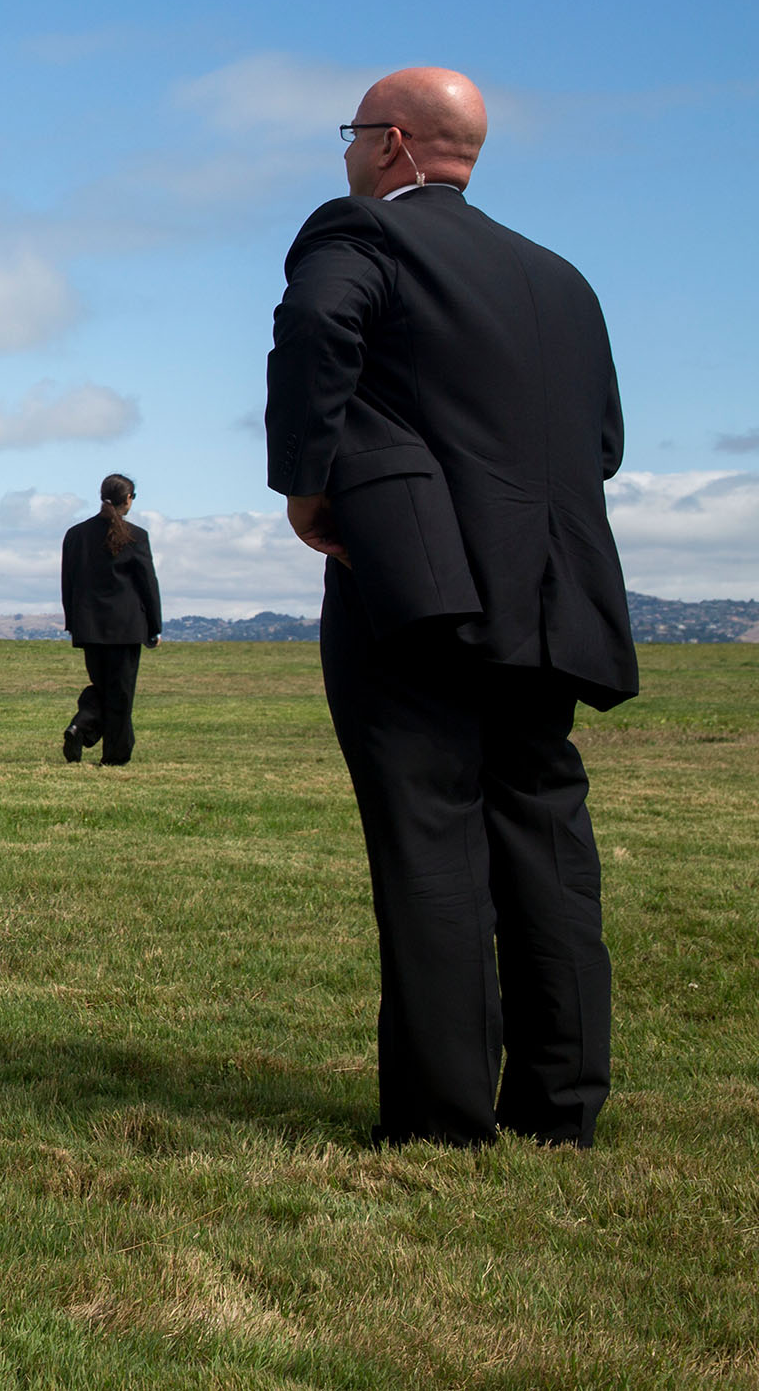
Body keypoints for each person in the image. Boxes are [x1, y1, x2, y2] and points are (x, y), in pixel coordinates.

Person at [268, 67, 636, 1150]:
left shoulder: (360, 233)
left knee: (427, 837)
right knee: (545, 835)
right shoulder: (559, 278)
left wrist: (308, 479)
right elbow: (603, 440)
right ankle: (560, 1106)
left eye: (351, 133)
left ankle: (441, 1119)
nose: (345, 152)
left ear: (389, 145)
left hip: (415, 595)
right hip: (553, 594)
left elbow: (315, 333)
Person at [59, 473, 160, 764]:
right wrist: (155, 626)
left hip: (90, 627)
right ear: (128, 499)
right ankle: (114, 756)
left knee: (103, 687)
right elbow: (147, 585)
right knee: (121, 693)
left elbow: (69, 582)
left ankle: (82, 724)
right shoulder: (137, 536)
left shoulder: (76, 535)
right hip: (128, 627)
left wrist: (73, 623)